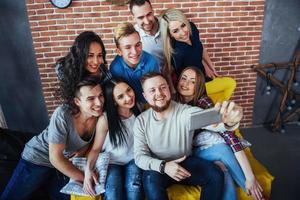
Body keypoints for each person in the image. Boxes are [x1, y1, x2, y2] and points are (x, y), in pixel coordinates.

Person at [133, 72, 243, 200]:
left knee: (215, 174)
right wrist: (164, 166)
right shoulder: (141, 121)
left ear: (169, 88)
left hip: (185, 162)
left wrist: (230, 120)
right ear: (145, 96)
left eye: (163, 87)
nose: (159, 93)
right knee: (149, 180)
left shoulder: (186, 112)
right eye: (152, 90)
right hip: (159, 167)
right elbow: (140, 157)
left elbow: (215, 122)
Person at [1, 76, 105, 200]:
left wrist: (81, 156)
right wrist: (85, 178)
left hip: (62, 166)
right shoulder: (63, 114)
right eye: (91, 98)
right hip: (37, 159)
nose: (99, 102)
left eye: (101, 95)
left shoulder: (100, 117)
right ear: (77, 101)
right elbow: (55, 158)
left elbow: (90, 143)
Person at [176, 66, 264, 200]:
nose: (186, 83)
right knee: (221, 154)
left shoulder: (203, 102)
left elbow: (228, 134)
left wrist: (250, 176)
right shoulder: (173, 102)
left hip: (207, 149)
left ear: (199, 86)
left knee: (224, 168)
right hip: (192, 153)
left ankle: (252, 188)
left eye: (192, 81)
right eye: (184, 78)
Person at [83, 78, 144, 200]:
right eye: (121, 96)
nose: (128, 97)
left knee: (134, 191)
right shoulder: (105, 119)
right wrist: (88, 171)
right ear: (114, 101)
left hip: (134, 159)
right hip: (112, 162)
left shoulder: (139, 108)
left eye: (129, 90)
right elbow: (95, 149)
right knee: (113, 193)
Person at [160, 8, 236, 101]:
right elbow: (167, 72)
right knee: (229, 85)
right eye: (175, 31)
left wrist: (211, 68)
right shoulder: (177, 52)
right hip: (194, 86)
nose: (183, 33)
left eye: (183, 25)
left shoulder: (192, 28)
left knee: (229, 85)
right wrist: (174, 93)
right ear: (170, 34)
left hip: (203, 75)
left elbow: (200, 48)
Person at [109, 22, 160, 103]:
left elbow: (155, 92)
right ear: (119, 51)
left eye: (137, 45)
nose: (135, 52)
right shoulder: (115, 68)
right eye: (128, 47)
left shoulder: (152, 62)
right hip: (128, 104)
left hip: (149, 102)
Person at [129, 0, 164, 70]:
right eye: (140, 17)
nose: (147, 21)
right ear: (133, 18)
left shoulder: (167, 24)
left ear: (153, 11)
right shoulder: (133, 35)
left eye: (149, 14)